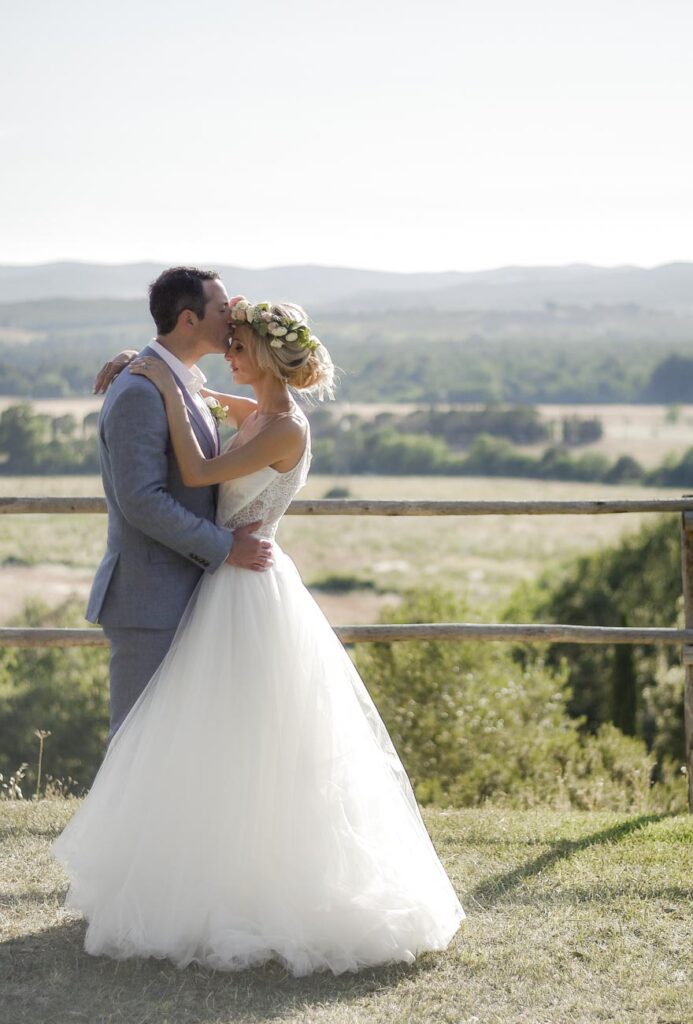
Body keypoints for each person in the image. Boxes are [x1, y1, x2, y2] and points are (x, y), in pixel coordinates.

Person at [51, 298, 465, 976]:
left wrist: (158, 382)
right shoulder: (260, 413)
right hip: (226, 585)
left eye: (238, 347)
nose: (229, 356)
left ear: (265, 357)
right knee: (216, 740)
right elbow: (202, 399)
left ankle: (272, 885)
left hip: (250, 585)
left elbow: (194, 472)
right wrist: (148, 368)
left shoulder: (283, 429)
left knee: (264, 739)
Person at [87, 267, 272, 741]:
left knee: (179, 745)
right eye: (222, 308)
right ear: (189, 320)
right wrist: (226, 547)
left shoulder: (178, 380)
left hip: (190, 592)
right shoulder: (138, 392)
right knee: (138, 741)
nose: (231, 316)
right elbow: (143, 501)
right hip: (150, 598)